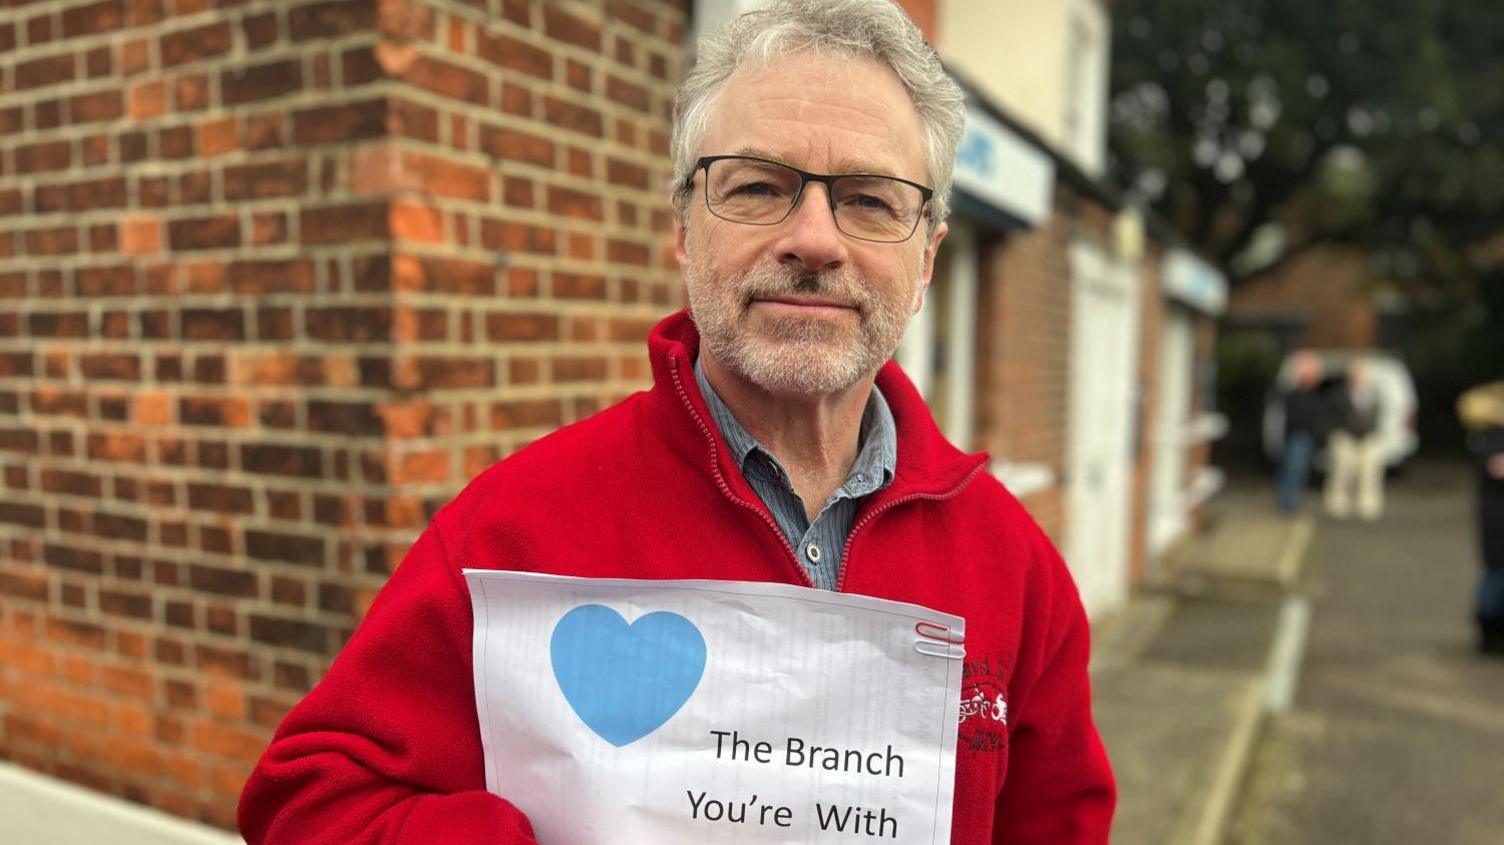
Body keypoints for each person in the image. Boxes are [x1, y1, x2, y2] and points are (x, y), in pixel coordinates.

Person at [237, 1, 1115, 842]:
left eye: (870, 200)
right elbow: (310, 800)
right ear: (684, 230)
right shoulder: (516, 526)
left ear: (926, 257)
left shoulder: (1016, 569)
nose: (814, 239)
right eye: (760, 187)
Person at [1457, 380, 1504, 656]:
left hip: (1494, 517)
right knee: (1496, 577)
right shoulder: (1492, 437)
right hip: (1497, 520)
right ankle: (1488, 633)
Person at [1324, 360, 1386, 519]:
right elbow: (1330, 416)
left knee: (1370, 474)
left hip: (1368, 438)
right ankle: (1337, 505)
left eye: (1361, 374)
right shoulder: (1338, 394)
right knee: (1341, 473)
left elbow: (1378, 416)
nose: (1358, 378)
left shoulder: (1374, 394)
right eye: (1355, 374)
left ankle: (1368, 506)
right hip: (1345, 437)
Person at [1277, 350, 1326, 514]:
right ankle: (1287, 504)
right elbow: (1298, 417)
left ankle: (1291, 503)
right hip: (1298, 437)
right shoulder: (1295, 395)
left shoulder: (1311, 394)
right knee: (1293, 471)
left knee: (1299, 472)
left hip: (1305, 437)